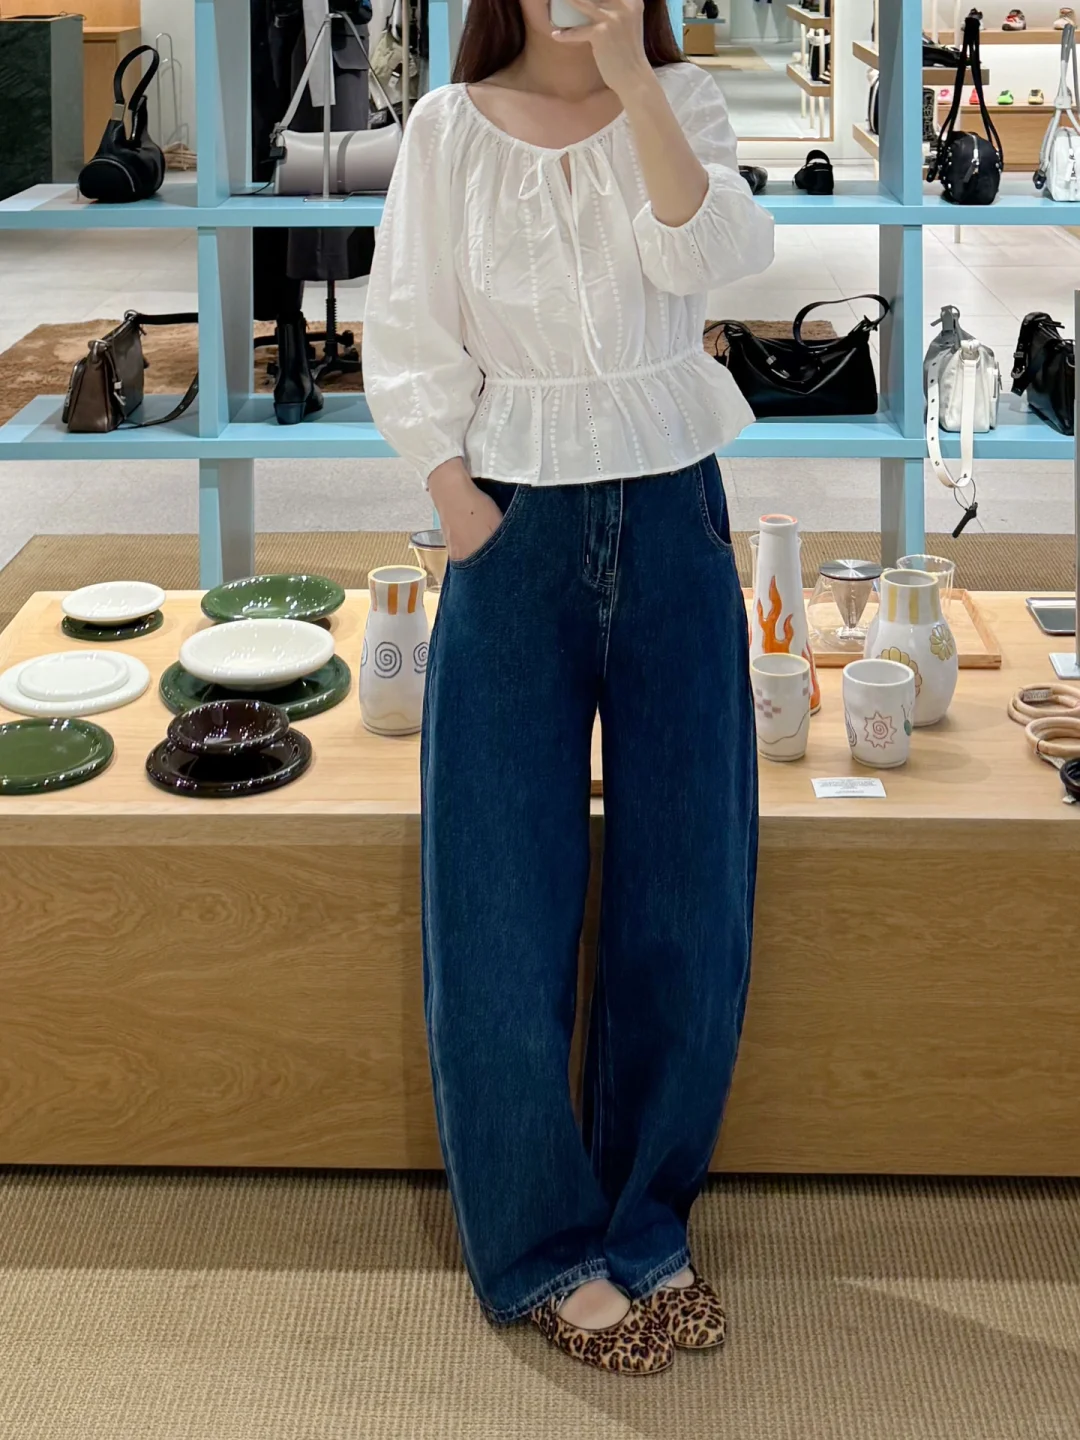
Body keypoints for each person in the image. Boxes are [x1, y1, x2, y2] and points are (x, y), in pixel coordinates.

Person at [363, 0, 774, 1377]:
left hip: (672, 512)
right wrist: (459, 506)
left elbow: (715, 254)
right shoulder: (446, 129)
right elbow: (407, 326)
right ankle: (543, 1243)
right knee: (496, 894)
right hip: (514, 520)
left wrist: (633, 84)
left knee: (689, 889)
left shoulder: (683, 105)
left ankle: (647, 1218)